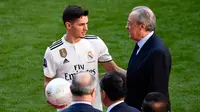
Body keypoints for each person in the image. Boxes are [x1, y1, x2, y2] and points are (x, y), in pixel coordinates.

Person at [43, 4, 126, 111]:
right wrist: (51, 98)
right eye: (81, 24)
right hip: (67, 108)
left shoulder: (95, 42)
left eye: (86, 24)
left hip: (94, 108)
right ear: (69, 25)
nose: (86, 28)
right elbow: (48, 82)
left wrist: (138, 77)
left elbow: (114, 70)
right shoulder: (53, 51)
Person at [125, 6, 171, 111]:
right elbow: (139, 76)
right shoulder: (141, 44)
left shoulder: (157, 53)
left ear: (142, 26)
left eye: (130, 23)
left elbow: (158, 94)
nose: (126, 27)